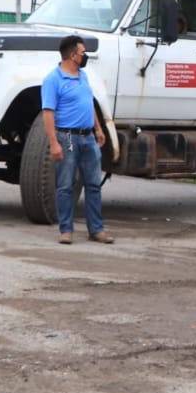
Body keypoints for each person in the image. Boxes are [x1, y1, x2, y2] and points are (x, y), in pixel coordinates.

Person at [41, 35, 113, 245]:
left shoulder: (83, 76)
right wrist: (54, 142)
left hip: (88, 137)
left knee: (93, 185)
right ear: (72, 55)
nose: (85, 56)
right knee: (65, 185)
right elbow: (48, 112)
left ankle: (96, 230)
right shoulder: (53, 79)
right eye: (82, 52)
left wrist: (98, 128)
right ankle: (66, 230)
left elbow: (88, 102)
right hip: (68, 137)